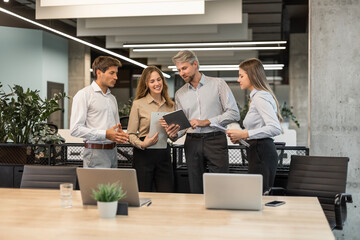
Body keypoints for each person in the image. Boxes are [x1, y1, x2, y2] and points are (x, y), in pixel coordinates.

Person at [164, 50, 240, 193]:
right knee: (195, 187)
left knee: (219, 187)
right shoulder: (180, 93)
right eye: (179, 70)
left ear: (195, 64)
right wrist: (173, 134)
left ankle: (220, 214)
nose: (182, 73)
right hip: (192, 142)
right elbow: (183, 126)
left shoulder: (218, 84)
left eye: (184, 68)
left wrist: (207, 121)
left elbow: (234, 113)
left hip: (215, 140)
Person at [226, 58, 282, 193]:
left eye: (241, 76)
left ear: (252, 76)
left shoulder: (260, 97)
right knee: (256, 195)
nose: (238, 80)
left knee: (259, 196)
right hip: (256, 151)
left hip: (262, 152)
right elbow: (258, 128)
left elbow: (275, 128)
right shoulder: (255, 97)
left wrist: (245, 134)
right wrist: (242, 138)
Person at [70, 56, 129, 168]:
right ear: (99, 73)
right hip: (95, 153)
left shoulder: (112, 98)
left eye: (116, 73)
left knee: (113, 186)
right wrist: (105, 134)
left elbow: (114, 130)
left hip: (113, 152)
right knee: (95, 186)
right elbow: (75, 129)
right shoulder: (84, 95)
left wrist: (120, 135)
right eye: (112, 73)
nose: (116, 77)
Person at [127, 66, 174, 192]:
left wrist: (174, 133)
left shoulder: (171, 106)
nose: (157, 84)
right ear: (146, 84)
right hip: (144, 154)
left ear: (163, 81)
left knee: (166, 194)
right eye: (152, 81)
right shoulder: (138, 104)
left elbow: (174, 135)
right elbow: (130, 134)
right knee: (143, 193)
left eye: (159, 80)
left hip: (163, 154)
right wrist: (142, 144)